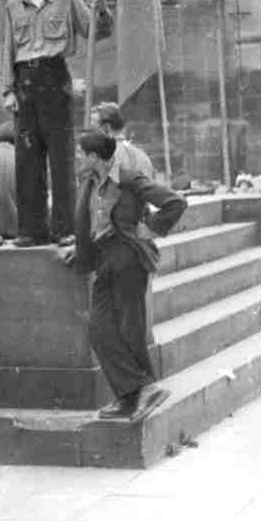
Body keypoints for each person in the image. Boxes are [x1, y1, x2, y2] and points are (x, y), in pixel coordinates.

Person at [66, 131, 186, 421]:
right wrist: (79, 245)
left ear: (95, 157)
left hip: (128, 257)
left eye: (81, 153)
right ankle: (136, 391)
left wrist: (152, 228)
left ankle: (134, 395)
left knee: (130, 327)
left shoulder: (128, 179)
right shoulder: (90, 182)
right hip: (104, 258)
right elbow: (95, 220)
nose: (77, 158)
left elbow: (175, 202)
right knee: (98, 329)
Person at [3, 0, 112, 247]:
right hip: (24, 83)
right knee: (26, 158)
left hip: (54, 77)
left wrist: (100, 7)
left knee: (61, 158)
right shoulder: (12, 6)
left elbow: (94, 31)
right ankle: (31, 230)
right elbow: (8, 50)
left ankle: (65, 229)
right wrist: (7, 89)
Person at [90, 101, 155, 180]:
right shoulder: (143, 156)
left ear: (107, 127)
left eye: (94, 129)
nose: (91, 135)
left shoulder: (103, 160)